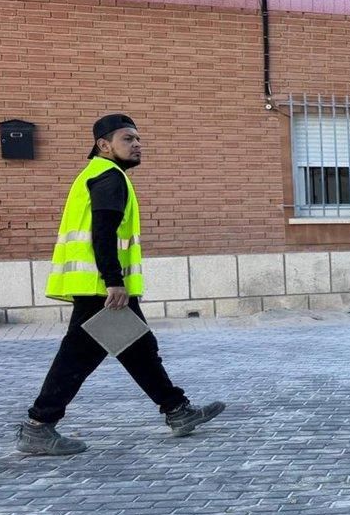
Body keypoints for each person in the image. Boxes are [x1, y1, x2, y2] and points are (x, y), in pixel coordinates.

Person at [15, 114, 224, 456]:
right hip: (102, 290)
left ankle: (176, 410)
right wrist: (114, 281)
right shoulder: (109, 178)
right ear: (104, 145)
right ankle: (38, 426)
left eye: (139, 139)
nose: (137, 144)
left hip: (99, 287)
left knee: (139, 349)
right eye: (128, 139)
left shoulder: (99, 175)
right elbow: (103, 234)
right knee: (78, 358)